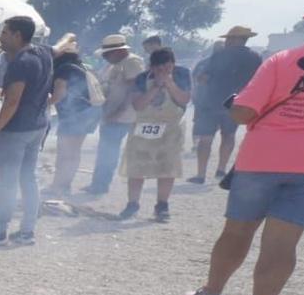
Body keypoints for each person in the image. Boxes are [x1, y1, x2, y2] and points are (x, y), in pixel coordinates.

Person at [182, 0, 304, 295]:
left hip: (262, 159)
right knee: (283, 244)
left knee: (238, 231)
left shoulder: (280, 61)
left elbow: (243, 113)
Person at [0, 15, 53, 245]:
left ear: (18, 35)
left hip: (16, 129)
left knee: (8, 180)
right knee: (29, 177)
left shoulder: (20, 63)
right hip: (37, 125)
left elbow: (12, 102)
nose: (0, 38)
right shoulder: (43, 53)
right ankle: (27, 231)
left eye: (5, 33)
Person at [117, 49, 193, 223]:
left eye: (167, 66)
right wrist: (157, 85)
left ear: (173, 64)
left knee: (167, 168)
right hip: (144, 125)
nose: (164, 70)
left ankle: (162, 205)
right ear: (151, 66)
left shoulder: (182, 74)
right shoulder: (142, 78)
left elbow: (183, 100)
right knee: (136, 167)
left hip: (170, 127)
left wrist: (169, 83)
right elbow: (138, 105)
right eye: (159, 68)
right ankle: (132, 204)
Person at [191, 25, 264, 184]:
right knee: (229, 135)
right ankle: (221, 169)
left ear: (236, 39)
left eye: (229, 38)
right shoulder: (256, 58)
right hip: (236, 103)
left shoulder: (219, 55)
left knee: (205, 139)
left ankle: (200, 174)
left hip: (211, 102)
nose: (227, 41)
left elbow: (203, 77)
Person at [45, 36, 103, 195]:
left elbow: (59, 95)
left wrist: (41, 105)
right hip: (88, 113)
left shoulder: (64, 69)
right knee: (74, 152)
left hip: (74, 115)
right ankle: (65, 185)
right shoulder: (82, 66)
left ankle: (58, 186)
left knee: (65, 152)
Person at [87, 34, 143, 197]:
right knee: (105, 149)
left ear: (118, 51)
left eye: (107, 54)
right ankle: (98, 183)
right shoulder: (113, 65)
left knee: (109, 150)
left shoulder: (132, 62)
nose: (105, 57)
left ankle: (100, 185)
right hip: (111, 113)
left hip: (124, 115)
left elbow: (134, 89)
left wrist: (119, 111)